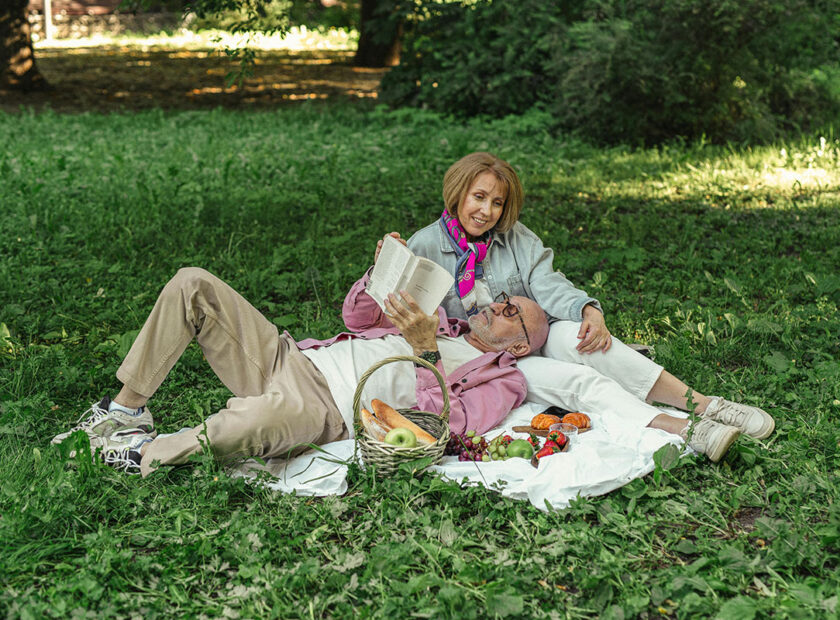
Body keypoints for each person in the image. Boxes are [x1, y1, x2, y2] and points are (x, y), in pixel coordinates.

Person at [371, 152, 775, 462]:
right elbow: (405, 312)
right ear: (458, 192)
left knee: (591, 343)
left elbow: (548, 283)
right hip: (485, 359)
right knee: (582, 383)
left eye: (497, 202)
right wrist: (386, 264)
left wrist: (587, 310)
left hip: (536, 332)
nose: (486, 211)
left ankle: (707, 404)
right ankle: (690, 429)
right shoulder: (424, 245)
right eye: (478, 197)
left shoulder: (515, 237)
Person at [51, 265, 550, 475]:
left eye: (513, 314)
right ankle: (125, 411)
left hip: (325, 406)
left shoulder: (504, 378)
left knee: (248, 426)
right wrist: (379, 273)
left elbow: (447, 425)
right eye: (504, 300)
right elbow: (356, 317)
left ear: (524, 346)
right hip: (290, 357)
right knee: (193, 284)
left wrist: (426, 353)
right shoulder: (440, 317)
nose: (500, 308)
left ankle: (140, 455)